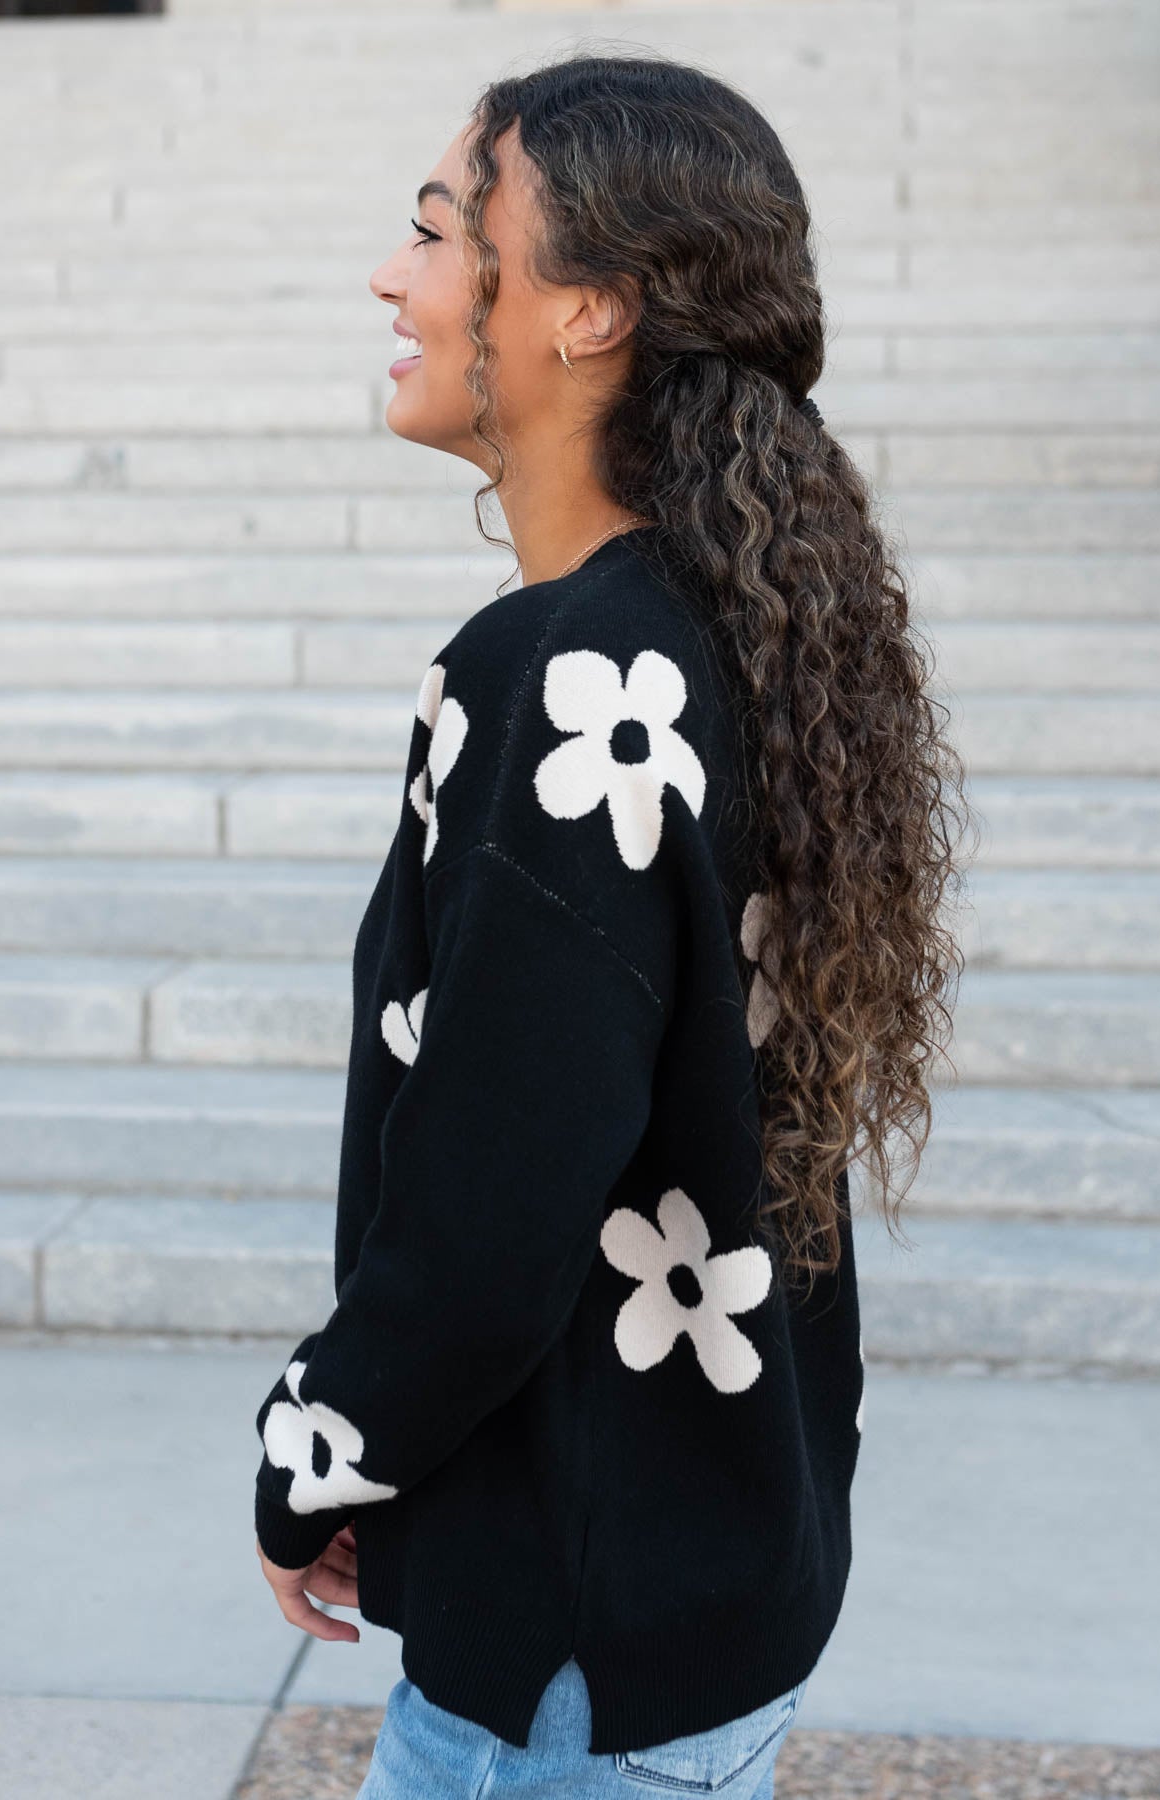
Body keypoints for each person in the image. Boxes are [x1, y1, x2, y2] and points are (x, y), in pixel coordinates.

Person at [251, 48, 972, 1800]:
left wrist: (317, 1452)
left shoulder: (570, 678)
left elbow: (491, 1193)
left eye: (436, 230)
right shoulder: (718, 635)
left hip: (575, 1652)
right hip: (694, 1575)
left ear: (583, 311)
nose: (392, 277)